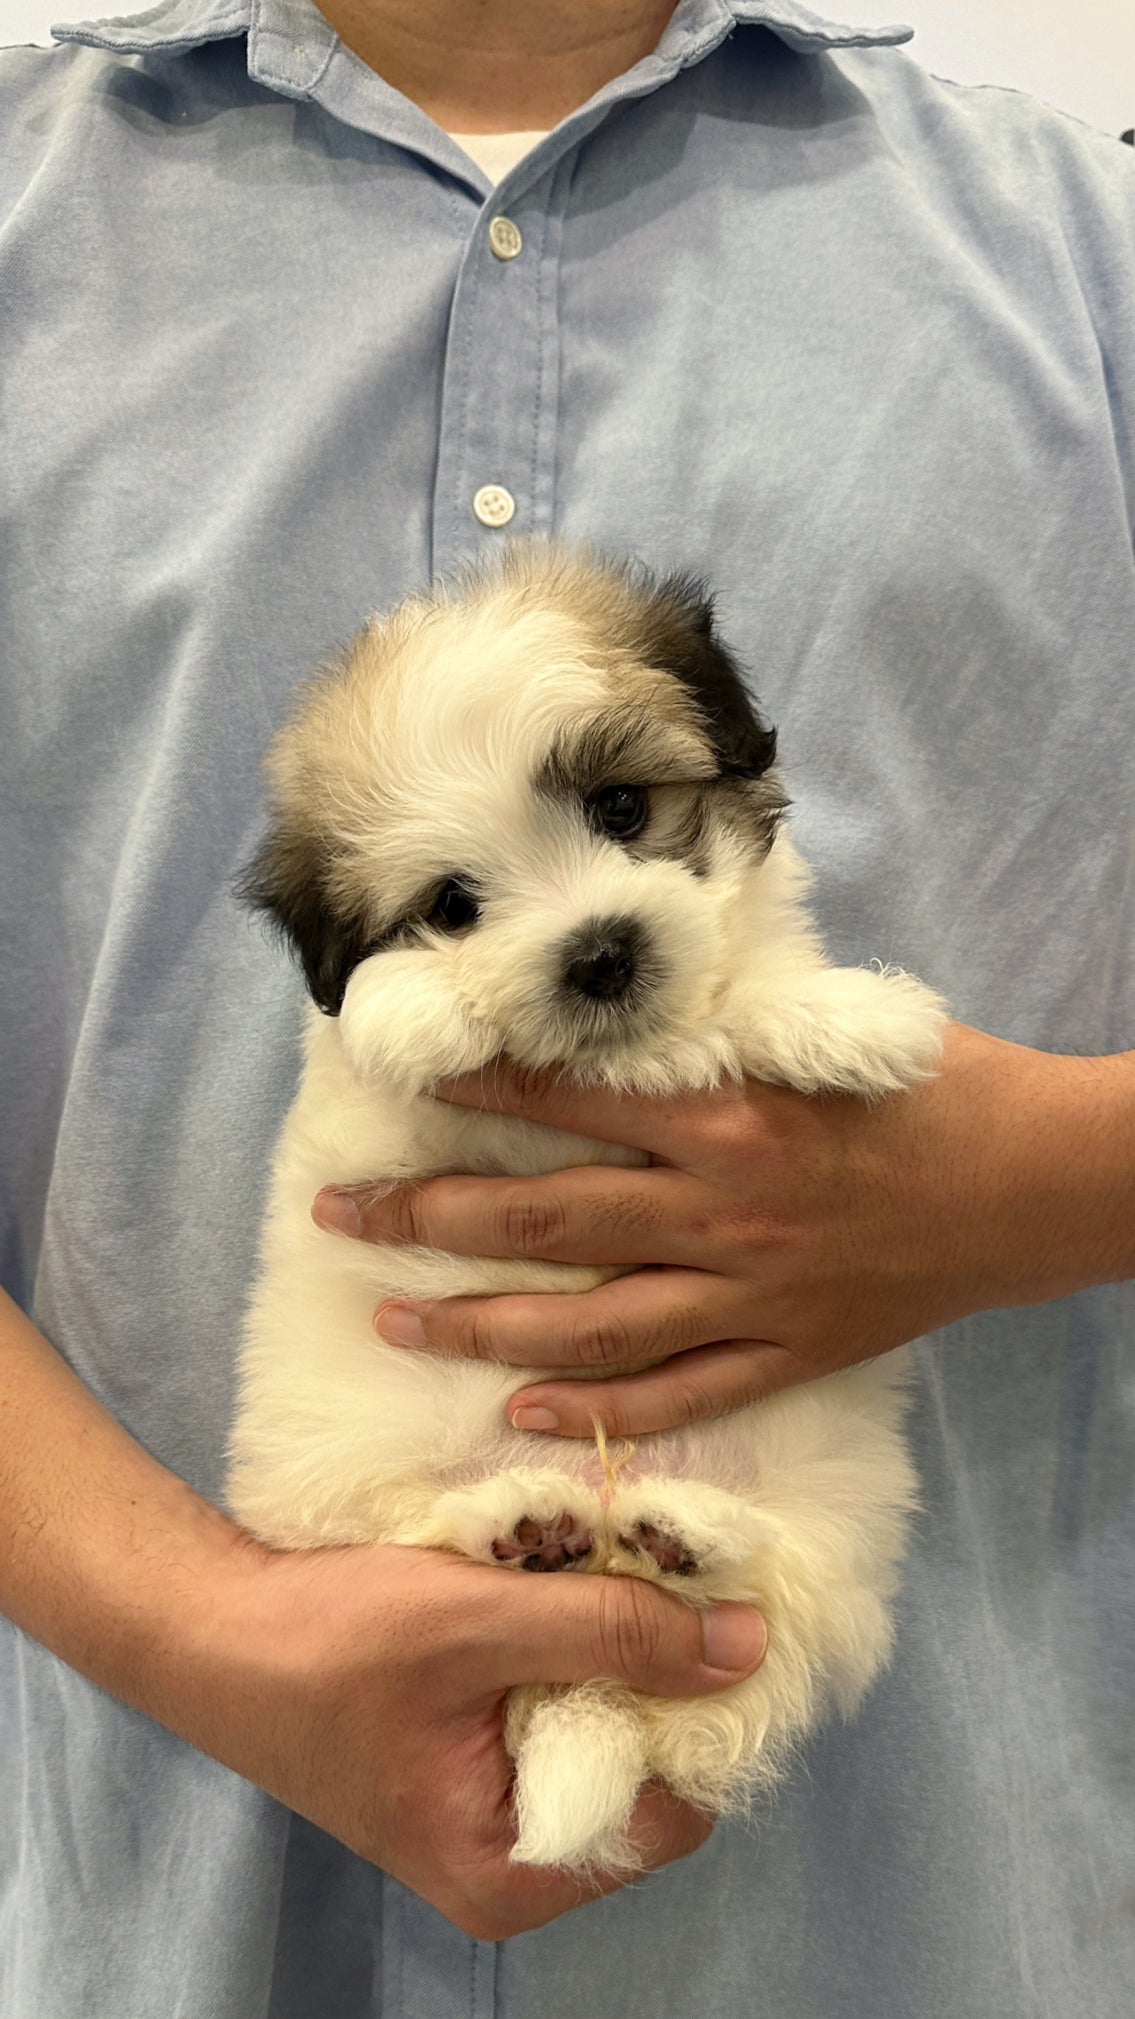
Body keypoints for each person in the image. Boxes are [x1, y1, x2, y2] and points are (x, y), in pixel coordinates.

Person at [1, 2, 1132, 2014]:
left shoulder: (1077, 244)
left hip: (936, 1915)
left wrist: (1050, 1179)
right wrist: (194, 1619)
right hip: (181, 1907)